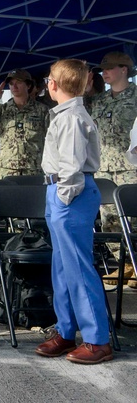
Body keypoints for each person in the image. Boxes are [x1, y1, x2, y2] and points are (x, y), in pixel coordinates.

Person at [34, 58, 113, 364]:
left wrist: (63, 197)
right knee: (63, 268)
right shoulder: (66, 115)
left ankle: (97, 340)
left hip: (70, 194)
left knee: (77, 267)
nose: (47, 83)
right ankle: (66, 331)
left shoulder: (71, 118)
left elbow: (72, 166)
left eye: (48, 79)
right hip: (61, 192)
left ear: (53, 84)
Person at [88, 52, 137, 264]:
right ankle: (125, 264)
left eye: (109, 68)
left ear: (124, 69)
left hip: (131, 168)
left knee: (133, 219)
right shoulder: (99, 101)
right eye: (103, 69)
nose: (104, 72)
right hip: (104, 169)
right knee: (109, 221)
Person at [0, 69, 49, 179]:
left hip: (33, 169)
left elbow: (52, 138)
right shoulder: (2, 110)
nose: (14, 86)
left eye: (18, 82)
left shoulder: (42, 110)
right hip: (6, 169)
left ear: (28, 85)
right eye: (11, 84)